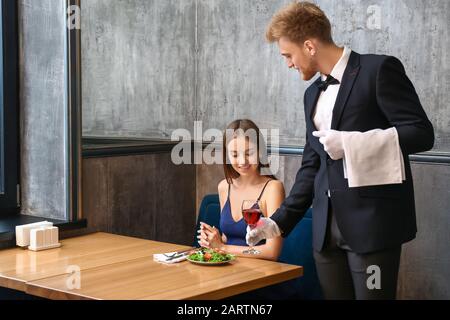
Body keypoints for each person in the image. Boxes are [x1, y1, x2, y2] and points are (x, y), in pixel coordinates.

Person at [246, 2, 434, 300]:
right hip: (325, 234)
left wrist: (350, 142)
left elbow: (421, 134)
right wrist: (277, 222)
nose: (289, 64)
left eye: (288, 55)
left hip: (372, 228)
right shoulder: (311, 95)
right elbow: (311, 167)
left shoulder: (378, 70)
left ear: (308, 46)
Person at [198, 119, 285, 261]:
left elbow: (271, 252)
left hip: (260, 275)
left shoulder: (273, 188)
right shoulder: (224, 187)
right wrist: (213, 240)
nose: (242, 161)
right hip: (229, 270)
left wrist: (223, 247)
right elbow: (228, 238)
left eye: (249, 153)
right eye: (234, 154)